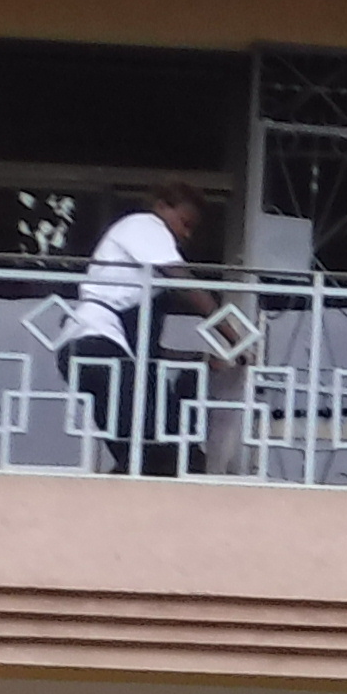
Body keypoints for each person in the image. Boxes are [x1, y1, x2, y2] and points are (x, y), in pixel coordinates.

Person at [55, 185, 224, 477]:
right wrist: (236, 337)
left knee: (144, 453)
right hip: (95, 345)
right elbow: (183, 281)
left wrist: (200, 358)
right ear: (162, 207)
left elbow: (149, 352)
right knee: (156, 438)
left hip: (91, 350)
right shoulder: (145, 225)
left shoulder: (140, 286)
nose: (186, 235)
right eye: (185, 223)